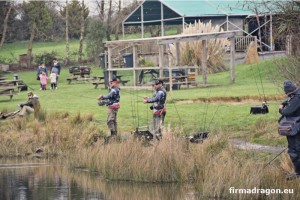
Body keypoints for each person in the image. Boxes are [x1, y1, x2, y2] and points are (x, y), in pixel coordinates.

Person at [279, 80, 300, 180]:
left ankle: (298, 173)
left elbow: (287, 111)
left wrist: (281, 109)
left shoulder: (296, 98)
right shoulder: (296, 96)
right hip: (296, 127)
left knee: (294, 150)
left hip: (295, 129)